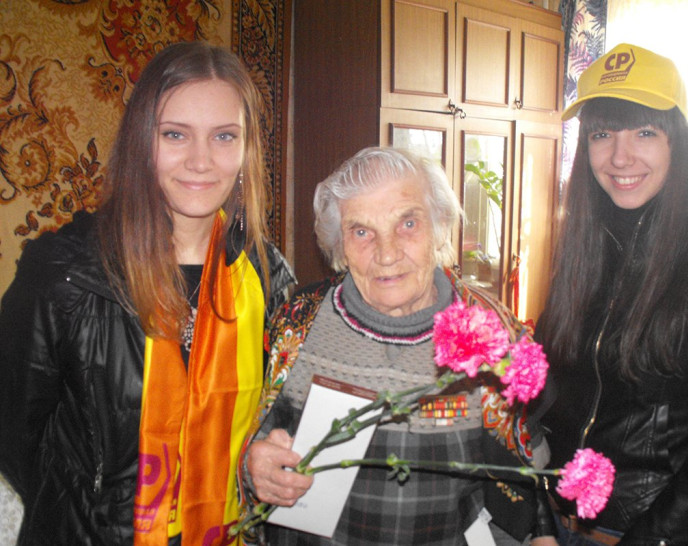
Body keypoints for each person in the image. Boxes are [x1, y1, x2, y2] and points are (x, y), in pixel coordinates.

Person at [0, 41, 294, 545]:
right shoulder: (64, 274)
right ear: (142, 142)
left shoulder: (267, 276)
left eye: (224, 136)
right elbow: (14, 436)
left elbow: (274, 420)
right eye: (175, 134)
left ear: (247, 150)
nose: (201, 161)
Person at [238, 147, 554, 545]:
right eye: (361, 232)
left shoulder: (491, 331)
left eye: (407, 223)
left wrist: (539, 533)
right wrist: (255, 469)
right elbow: (254, 443)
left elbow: (526, 473)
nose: (386, 254)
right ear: (339, 245)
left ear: (439, 227)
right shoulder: (298, 322)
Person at [532, 43, 688, 544]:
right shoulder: (580, 248)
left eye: (644, 132)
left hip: (639, 530)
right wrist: (534, 518)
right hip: (550, 522)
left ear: (678, 143)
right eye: (602, 134)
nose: (620, 157)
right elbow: (543, 398)